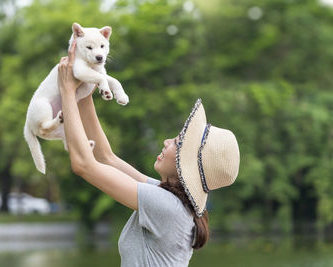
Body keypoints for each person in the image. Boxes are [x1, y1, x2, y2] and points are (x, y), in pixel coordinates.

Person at [57, 41, 240, 267]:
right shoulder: (169, 198)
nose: (166, 142)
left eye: (176, 142)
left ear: (187, 163)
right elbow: (106, 158)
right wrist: (84, 86)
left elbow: (84, 165)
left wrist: (66, 89)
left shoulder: (166, 206)